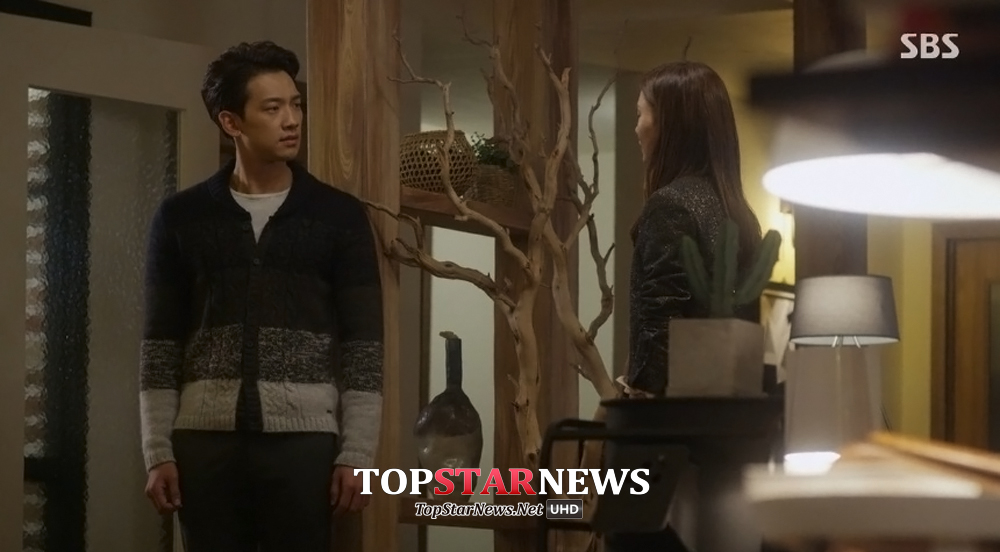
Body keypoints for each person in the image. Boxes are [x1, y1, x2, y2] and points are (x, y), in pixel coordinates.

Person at [139, 41, 384, 552]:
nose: (291, 120)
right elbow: (160, 345)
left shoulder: (337, 216)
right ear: (231, 122)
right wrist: (158, 450)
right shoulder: (182, 218)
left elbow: (363, 346)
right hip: (203, 445)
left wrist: (358, 454)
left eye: (295, 105)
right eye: (272, 108)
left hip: (304, 445)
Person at [622, 60, 762, 399]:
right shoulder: (742, 217)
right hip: (728, 414)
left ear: (668, 124)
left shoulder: (670, 205)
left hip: (672, 419)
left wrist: (632, 396)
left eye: (640, 115)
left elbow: (660, 334)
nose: (636, 129)